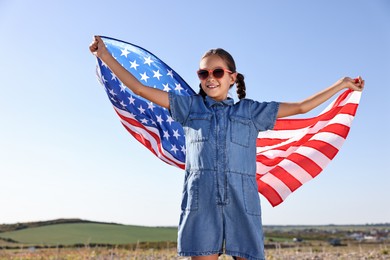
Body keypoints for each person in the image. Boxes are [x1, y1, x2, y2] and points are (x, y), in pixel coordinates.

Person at [89, 36, 364, 260]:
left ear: (232, 77)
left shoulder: (252, 111)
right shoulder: (188, 107)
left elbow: (302, 107)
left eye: (218, 72)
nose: (210, 78)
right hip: (201, 203)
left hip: (241, 202)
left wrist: (341, 85)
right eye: (203, 72)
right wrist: (105, 56)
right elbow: (139, 88)